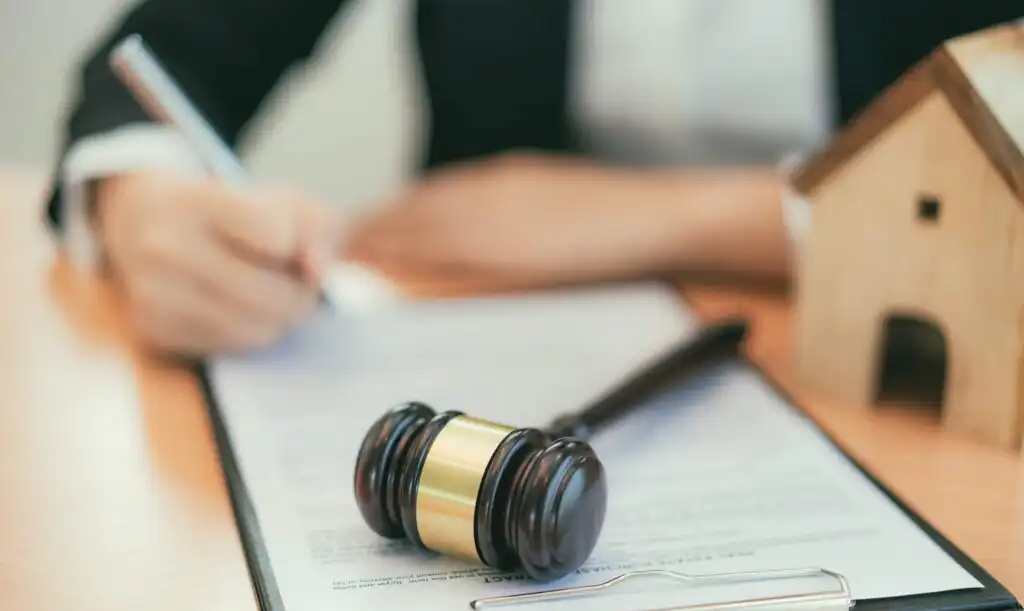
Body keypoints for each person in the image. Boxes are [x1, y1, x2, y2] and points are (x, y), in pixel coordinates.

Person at [43, 0, 1021, 357]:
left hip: (887, 372)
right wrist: (145, 207)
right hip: (472, 350)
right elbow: (161, 67)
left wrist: (653, 219)